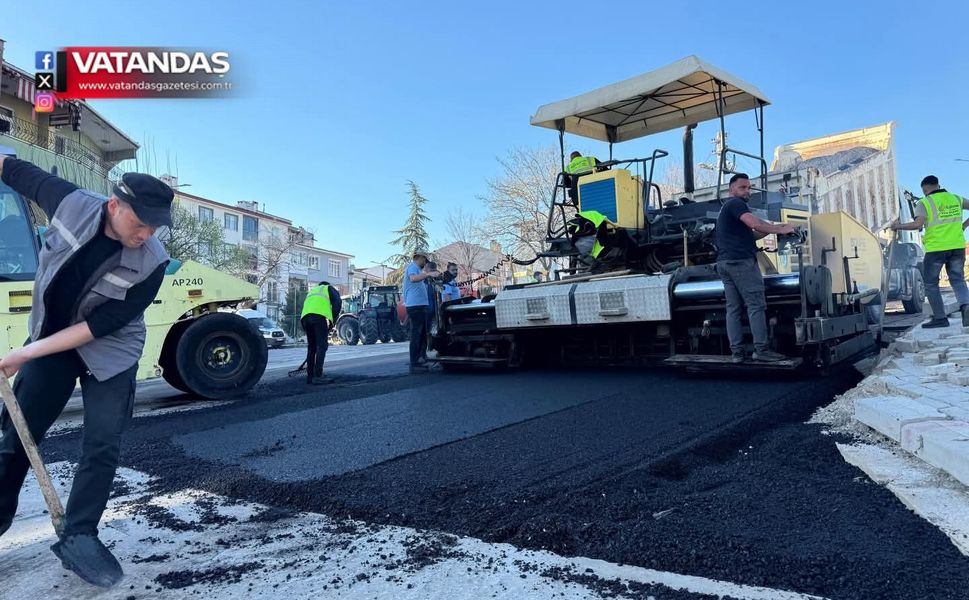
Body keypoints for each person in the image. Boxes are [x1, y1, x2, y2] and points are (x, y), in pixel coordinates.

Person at [0, 155, 172, 587]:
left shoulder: (153, 262)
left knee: (102, 442)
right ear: (114, 206)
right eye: (141, 222)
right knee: (19, 435)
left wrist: (25, 354)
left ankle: (80, 534)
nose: (147, 233)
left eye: (155, 226)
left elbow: (100, 326)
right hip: (51, 338)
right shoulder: (71, 203)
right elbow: (16, 170)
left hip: (111, 352)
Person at [715, 173, 795, 363]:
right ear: (731, 190)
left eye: (749, 187)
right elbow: (755, 223)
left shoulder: (727, 210)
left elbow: (753, 232)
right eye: (742, 187)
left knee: (733, 309)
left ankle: (737, 353)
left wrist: (773, 228)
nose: (747, 191)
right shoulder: (735, 204)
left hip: (725, 263)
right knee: (756, 305)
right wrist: (782, 229)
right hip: (740, 262)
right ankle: (761, 350)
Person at [891, 175, 969, 328]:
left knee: (930, 284)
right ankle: (966, 308)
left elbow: (917, 224)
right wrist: (964, 226)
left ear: (925, 189)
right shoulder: (956, 199)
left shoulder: (924, 202)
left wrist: (897, 226)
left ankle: (940, 318)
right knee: (958, 280)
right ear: (938, 185)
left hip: (936, 249)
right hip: (957, 247)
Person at [403, 250, 439, 373]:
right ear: (420, 258)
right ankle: (414, 362)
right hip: (415, 306)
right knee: (416, 334)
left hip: (420, 305)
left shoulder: (418, 270)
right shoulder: (412, 268)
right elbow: (413, 279)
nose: (425, 263)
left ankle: (421, 358)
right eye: (424, 260)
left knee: (422, 333)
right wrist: (428, 274)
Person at [300, 281, 342, 384]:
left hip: (305, 318)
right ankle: (318, 375)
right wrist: (332, 320)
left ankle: (310, 376)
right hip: (318, 318)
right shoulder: (328, 288)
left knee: (312, 347)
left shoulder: (312, 291)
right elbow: (338, 303)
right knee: (321, 346)